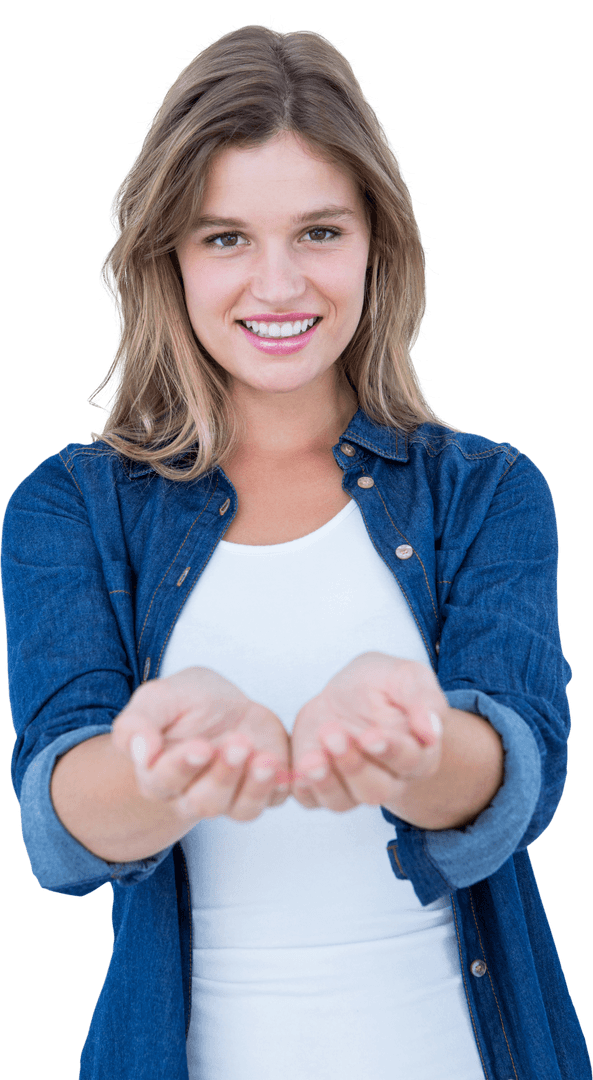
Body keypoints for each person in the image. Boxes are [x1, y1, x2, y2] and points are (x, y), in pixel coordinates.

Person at [1, 23, 589, 1080]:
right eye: (225, 237)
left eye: (318, 231)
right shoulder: (73, 506)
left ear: (374, 244)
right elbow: (58, 826)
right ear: (169, 258)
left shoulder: (486, 491)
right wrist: (166, 760)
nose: (276, 285)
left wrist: (411, 742)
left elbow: (519, 781)